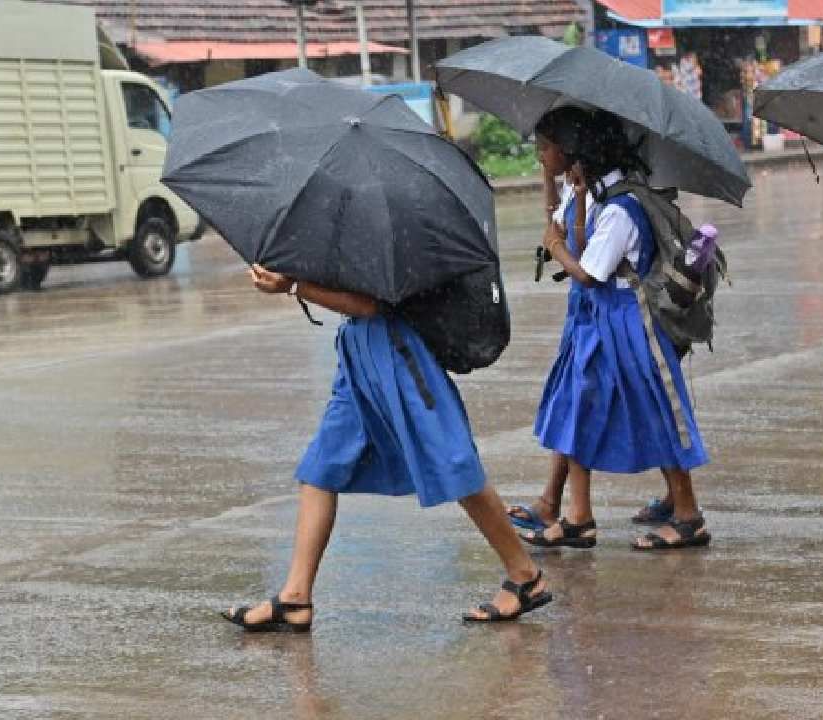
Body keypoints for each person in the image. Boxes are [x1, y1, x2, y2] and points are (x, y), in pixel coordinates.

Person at [221, 266, 552, 629]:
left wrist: (295, 286)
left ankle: (525, 576)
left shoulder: (382, 225)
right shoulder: (351, 223)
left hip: (398, 353)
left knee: (453, 464)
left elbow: (367, 303)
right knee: (320, 468)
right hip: (359, 352)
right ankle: (295, 598)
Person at [526, 110, 711, 551]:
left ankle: (688, 516)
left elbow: (590, 273)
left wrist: (555, 248)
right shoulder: (599, 199)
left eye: (548, 148)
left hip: (630, 324)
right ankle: (578, 516)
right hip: (602, 321)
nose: (541, 155)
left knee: (657, 414)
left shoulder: (621, 210)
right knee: (577, 408)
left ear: (576, 158)